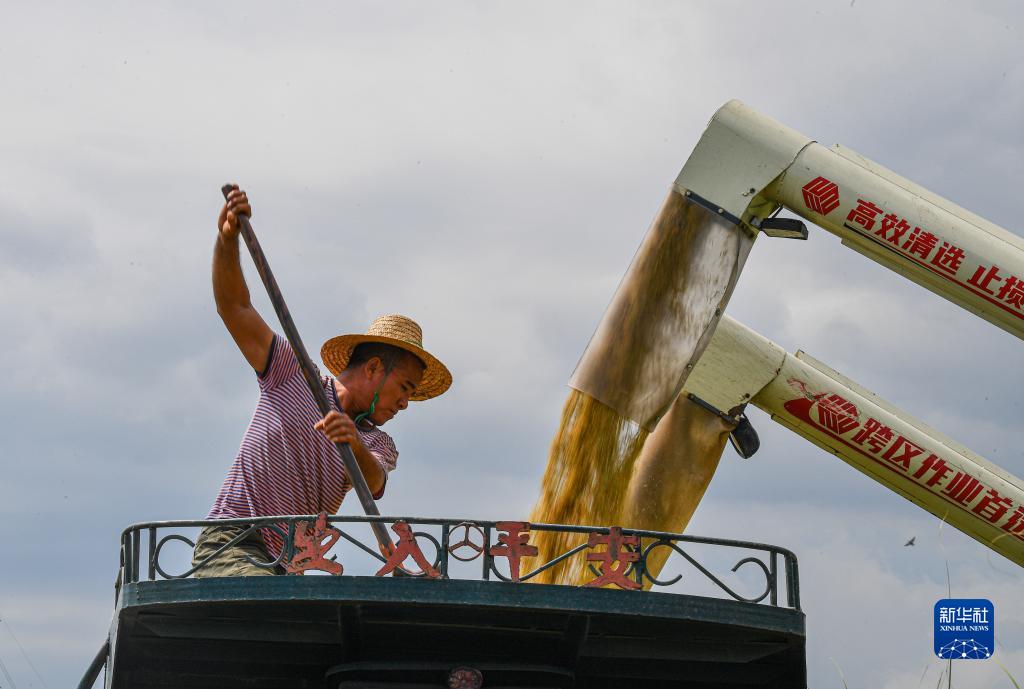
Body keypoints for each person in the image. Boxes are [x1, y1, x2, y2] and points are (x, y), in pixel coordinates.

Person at [192, 186, 452, 577]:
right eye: (405, 389)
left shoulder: (376, 442)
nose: (404, 404)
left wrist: (352, 442)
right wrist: (228, 239)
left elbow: (374, 478)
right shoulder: (291, 374)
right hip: (235, 543)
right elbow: (235, 307)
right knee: (270, 605)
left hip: (286, 566)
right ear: (373, 369)